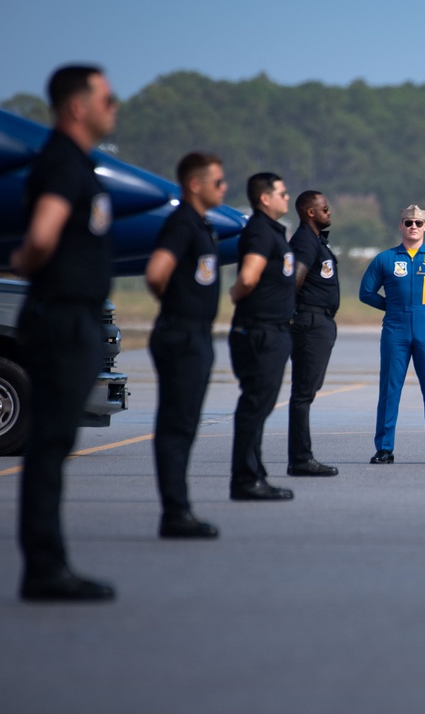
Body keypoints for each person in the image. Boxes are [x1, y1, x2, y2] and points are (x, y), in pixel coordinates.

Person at [10, 64, 118, 601]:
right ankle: (45, 568)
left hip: (75, 315)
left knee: (56, 441)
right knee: (50, 443)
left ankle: (48, 562)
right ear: (79, 106)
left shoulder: (77, 163)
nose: (113, 107)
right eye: (108, 98)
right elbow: (41, 236)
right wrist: (26, 261)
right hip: (61, 317)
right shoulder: (61, 163)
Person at [145, 152, 227, 538]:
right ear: (196, 184)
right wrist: (177, 307)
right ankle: (175, 512)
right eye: (218, 182)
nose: (223, 188)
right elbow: (156, 272)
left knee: (186, 423)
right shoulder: (182, 224)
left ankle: (178, 508)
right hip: (182, 333)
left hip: (195, 333)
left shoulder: (201, 225)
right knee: (177, 425)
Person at [359, 205, 425, 464]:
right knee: (390, 388)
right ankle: (384, 448)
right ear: (400, 226)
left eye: (418, 223)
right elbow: (366, 292)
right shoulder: (385, 259)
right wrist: (391, 307)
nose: (413, 227)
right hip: (396, 328)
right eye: (408, 223)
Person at [227, 173, 295, 500]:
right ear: (265, 198)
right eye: (281, 193)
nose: (286, 197)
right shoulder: (259, 231)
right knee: (255, 406)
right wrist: (237, 293)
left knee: (260, 405)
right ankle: (245, 479)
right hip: (260, 331)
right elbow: (248, 277)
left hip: (273, 331)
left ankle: (255, 473)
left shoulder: (271, 232)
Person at [286, 191, 339, 477]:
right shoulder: (305, 240)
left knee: (306, 392)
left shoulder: (315, 239)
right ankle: (301, 459)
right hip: (310, 322)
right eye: (324, 209)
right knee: (303, 394)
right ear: (310, 212)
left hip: (319, 321)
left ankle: (300, 456)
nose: (329, 212)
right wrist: (294, 317)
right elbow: (294, 279)